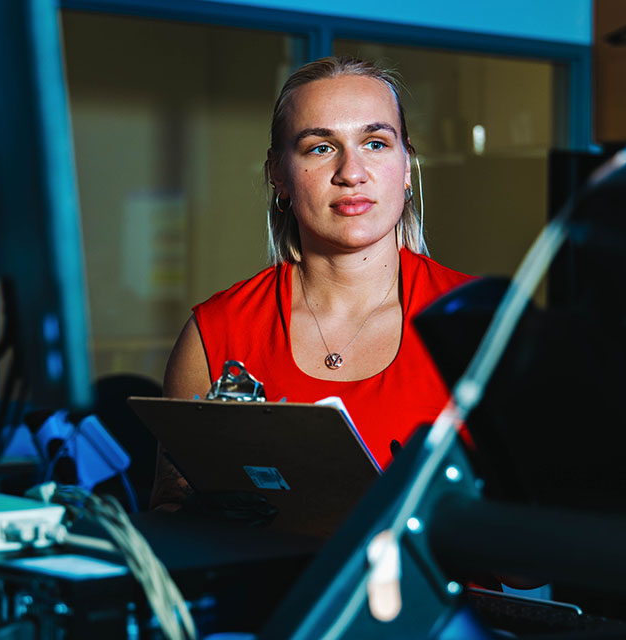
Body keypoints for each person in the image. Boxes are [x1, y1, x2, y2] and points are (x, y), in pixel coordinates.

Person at [153, 56, 474, 508]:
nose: (351, 173)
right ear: (278, 176)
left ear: (406, 168)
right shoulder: (216, 332)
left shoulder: (482, 322)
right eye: (321, 148)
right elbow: (174, 525)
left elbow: (528, 563)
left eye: (376, 143)